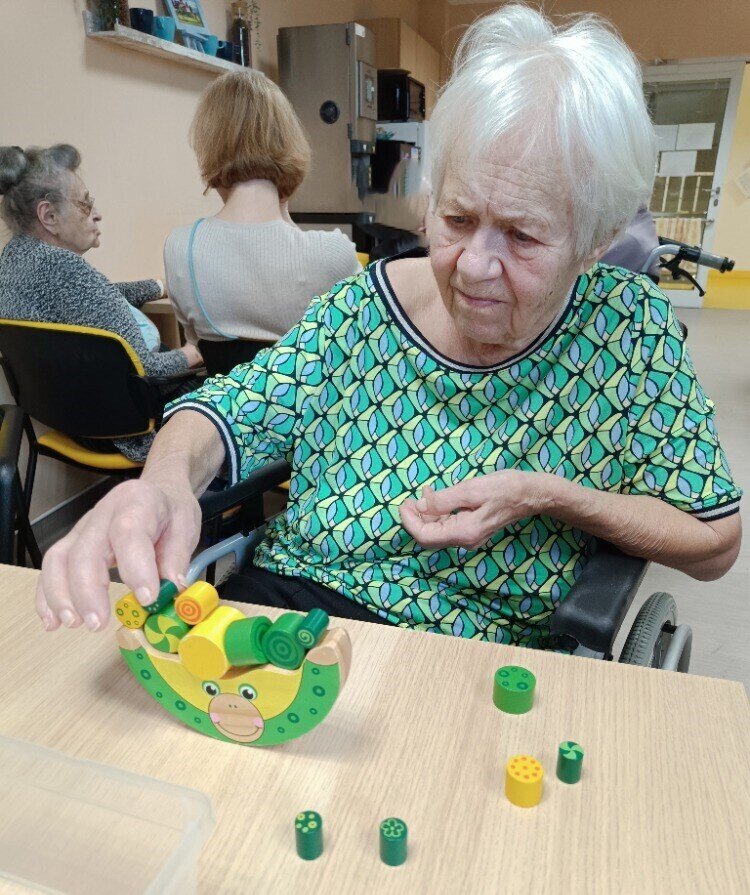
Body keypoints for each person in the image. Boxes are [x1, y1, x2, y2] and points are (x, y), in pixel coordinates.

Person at [37, 5, 741, 647]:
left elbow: (714, 539)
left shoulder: (627, 330)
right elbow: (225, 409)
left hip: (476, 650)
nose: (473, 266)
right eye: (457, 218)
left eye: (523, 236)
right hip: (293, 613)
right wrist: (164, 484)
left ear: (595, 239)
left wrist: (548, 495)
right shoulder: (365, 307)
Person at [0, 144, 203, 461]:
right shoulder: (65, 269)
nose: (96, 213)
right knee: (237, 391)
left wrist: (158, 286)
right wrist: (197, 351)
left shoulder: (14, 260)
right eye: (85, 203)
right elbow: (147, 370)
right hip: (128, 430)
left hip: (71, 421)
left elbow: (96, 296)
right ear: (49, 216)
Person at [163, 71, 361, 373]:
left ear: (210, 145)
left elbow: (197, 343)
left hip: (227, 403)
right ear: (287, 141)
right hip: (311, 403)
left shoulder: (180, 248)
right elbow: (359, 343)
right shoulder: (332, 254)